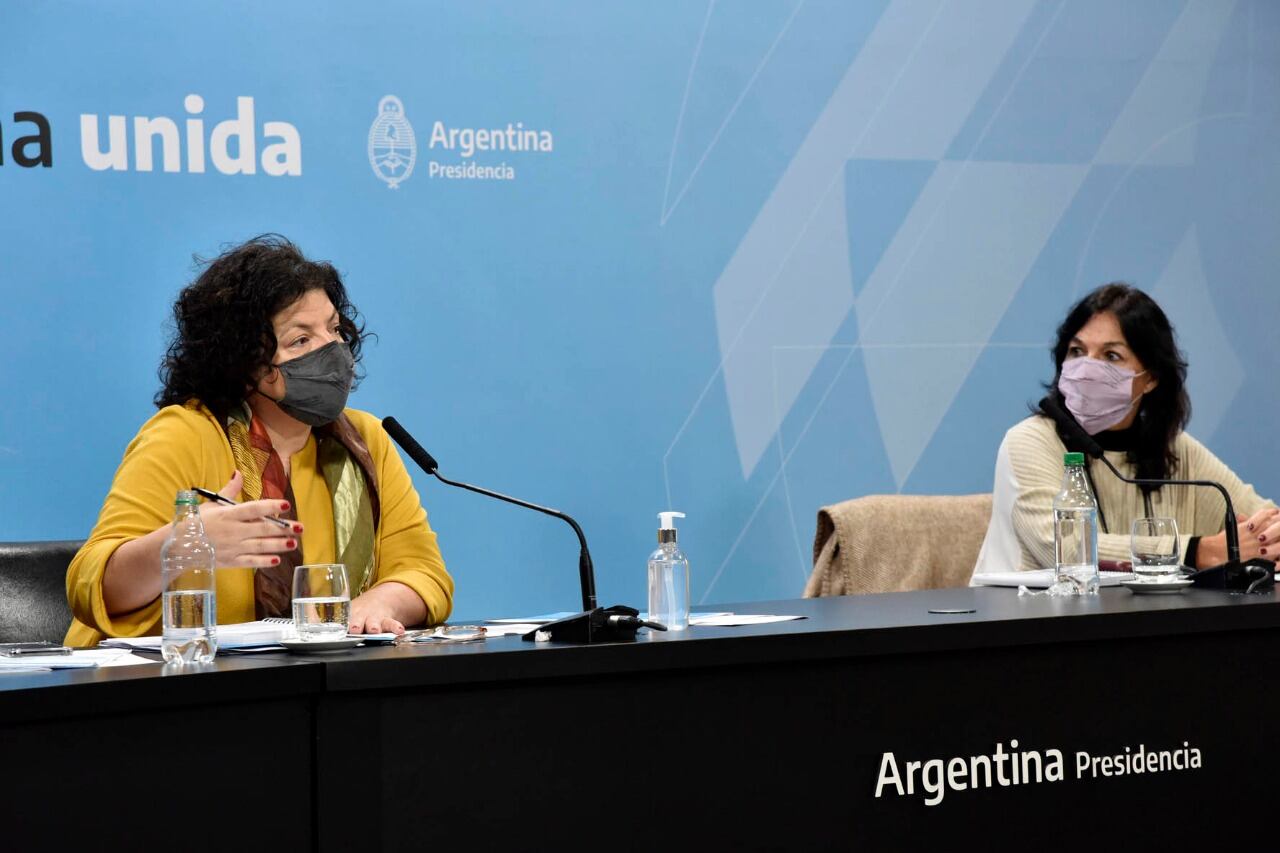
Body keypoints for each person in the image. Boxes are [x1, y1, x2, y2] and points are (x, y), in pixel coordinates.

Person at [65, 235, 453, 646]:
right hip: (162, 687)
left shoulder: (364, 440)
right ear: (245, 364)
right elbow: (92, 586)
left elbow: (424, 572)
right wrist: (182, 547)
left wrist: (381, 602)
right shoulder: (184, 434)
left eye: (334, 329)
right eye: (300, 340)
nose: (334, 350)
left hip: (313, 683)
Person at [971, 282, 1276, 579]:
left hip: (1142, 625)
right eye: (1077, 351)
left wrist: (1268, 538)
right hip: (1031, 623)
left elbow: (1263, 519)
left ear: (1151, 377)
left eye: (1111, 356)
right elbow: (1067, 550)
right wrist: (1194, 551)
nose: (1087, 368)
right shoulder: (1030, 442)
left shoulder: (1173, 448)